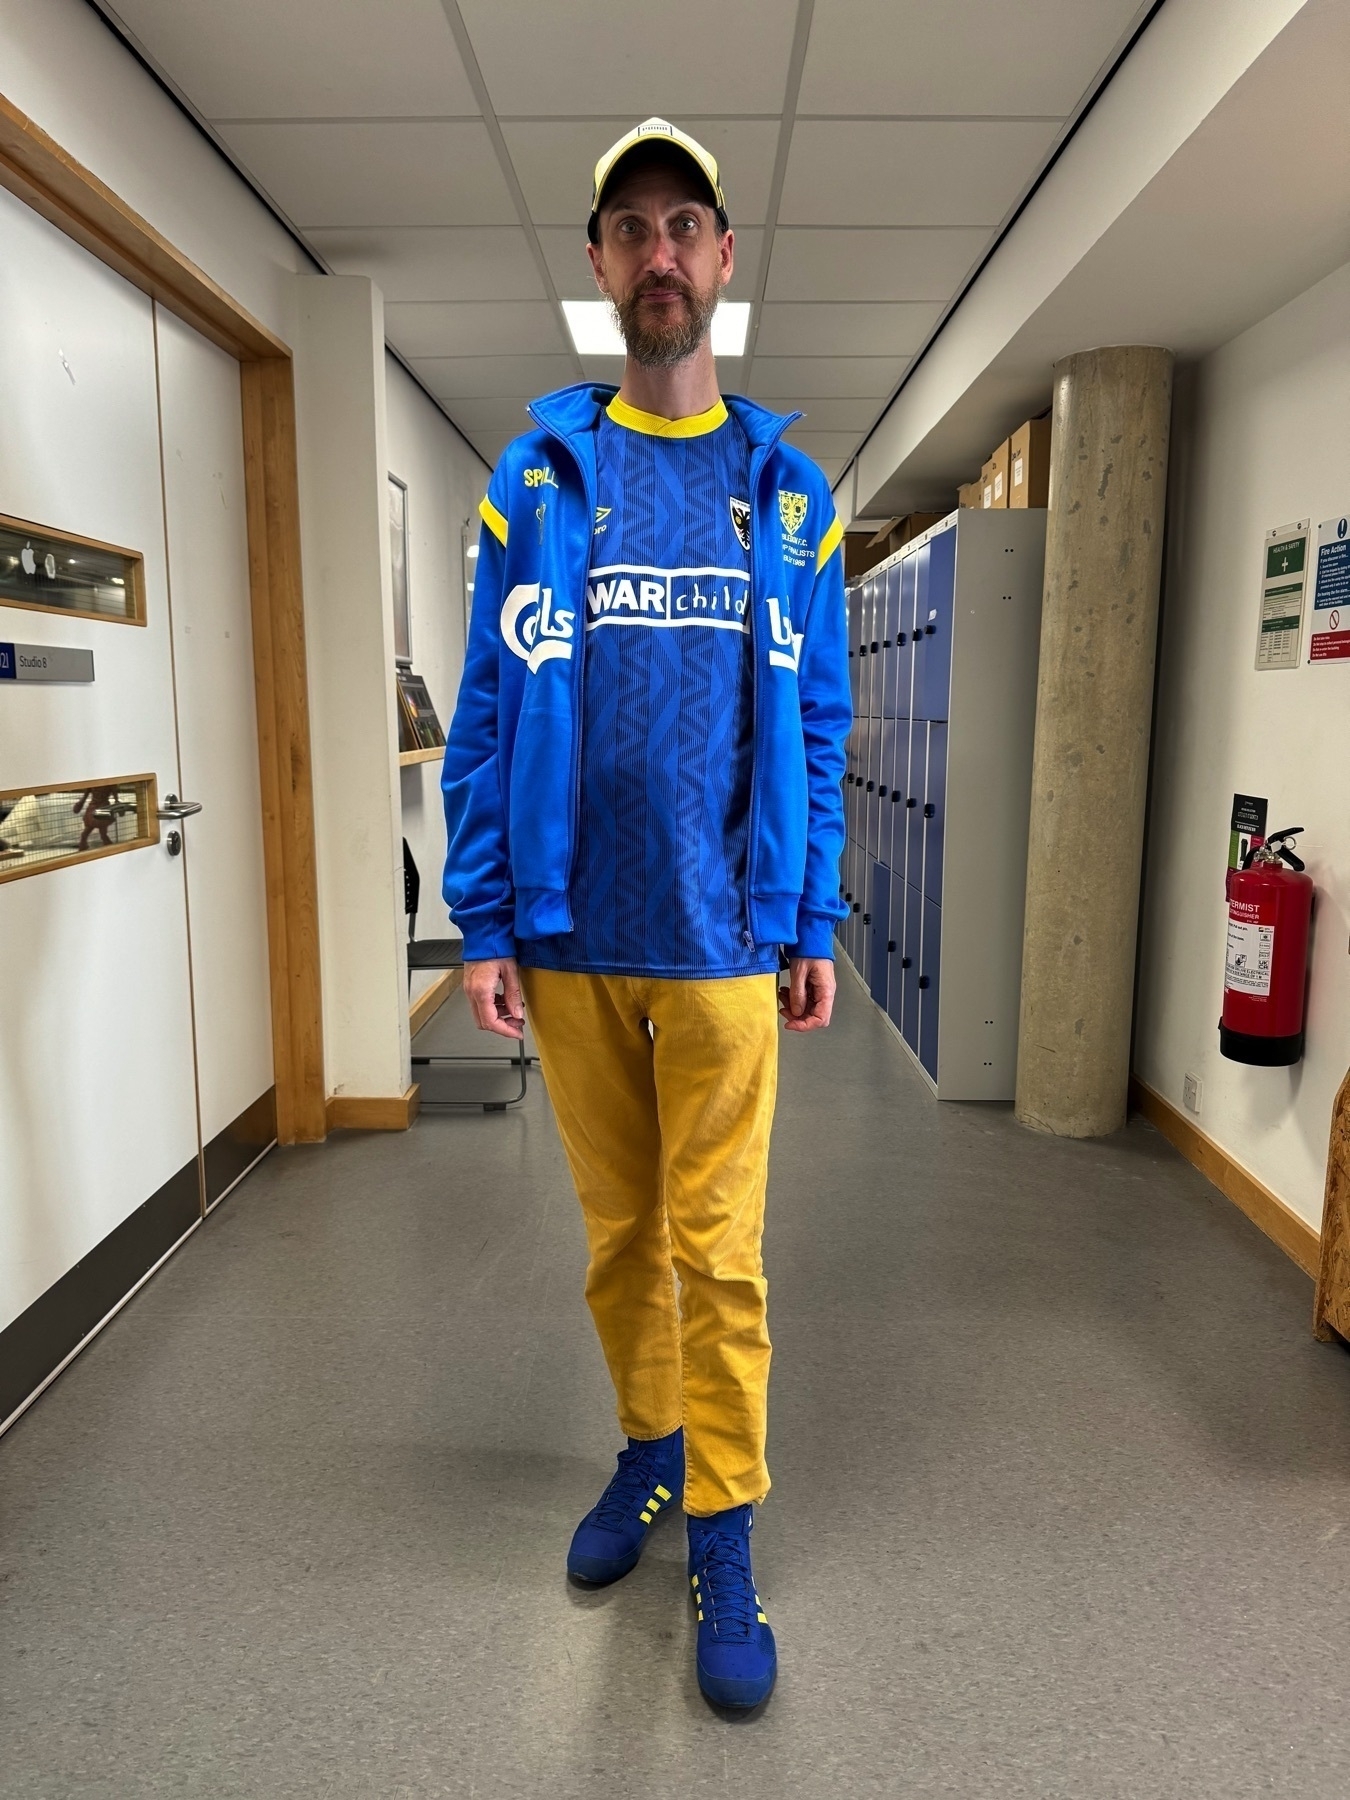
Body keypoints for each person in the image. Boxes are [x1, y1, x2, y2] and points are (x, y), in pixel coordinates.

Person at [441, 117, 850, 1712]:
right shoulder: (537, 480)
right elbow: (485, 706)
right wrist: (483, 922)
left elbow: (815, 724)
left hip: (726, 946)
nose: (661, 251)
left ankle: (729, 1529)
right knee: (621, 1246)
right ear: (600, 264)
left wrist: (813, 913)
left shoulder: (787, 494)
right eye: (633, 228)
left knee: (720, 1257)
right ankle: (652, 1455)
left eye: (687, 224)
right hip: (568, 943)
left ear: (723, 259)